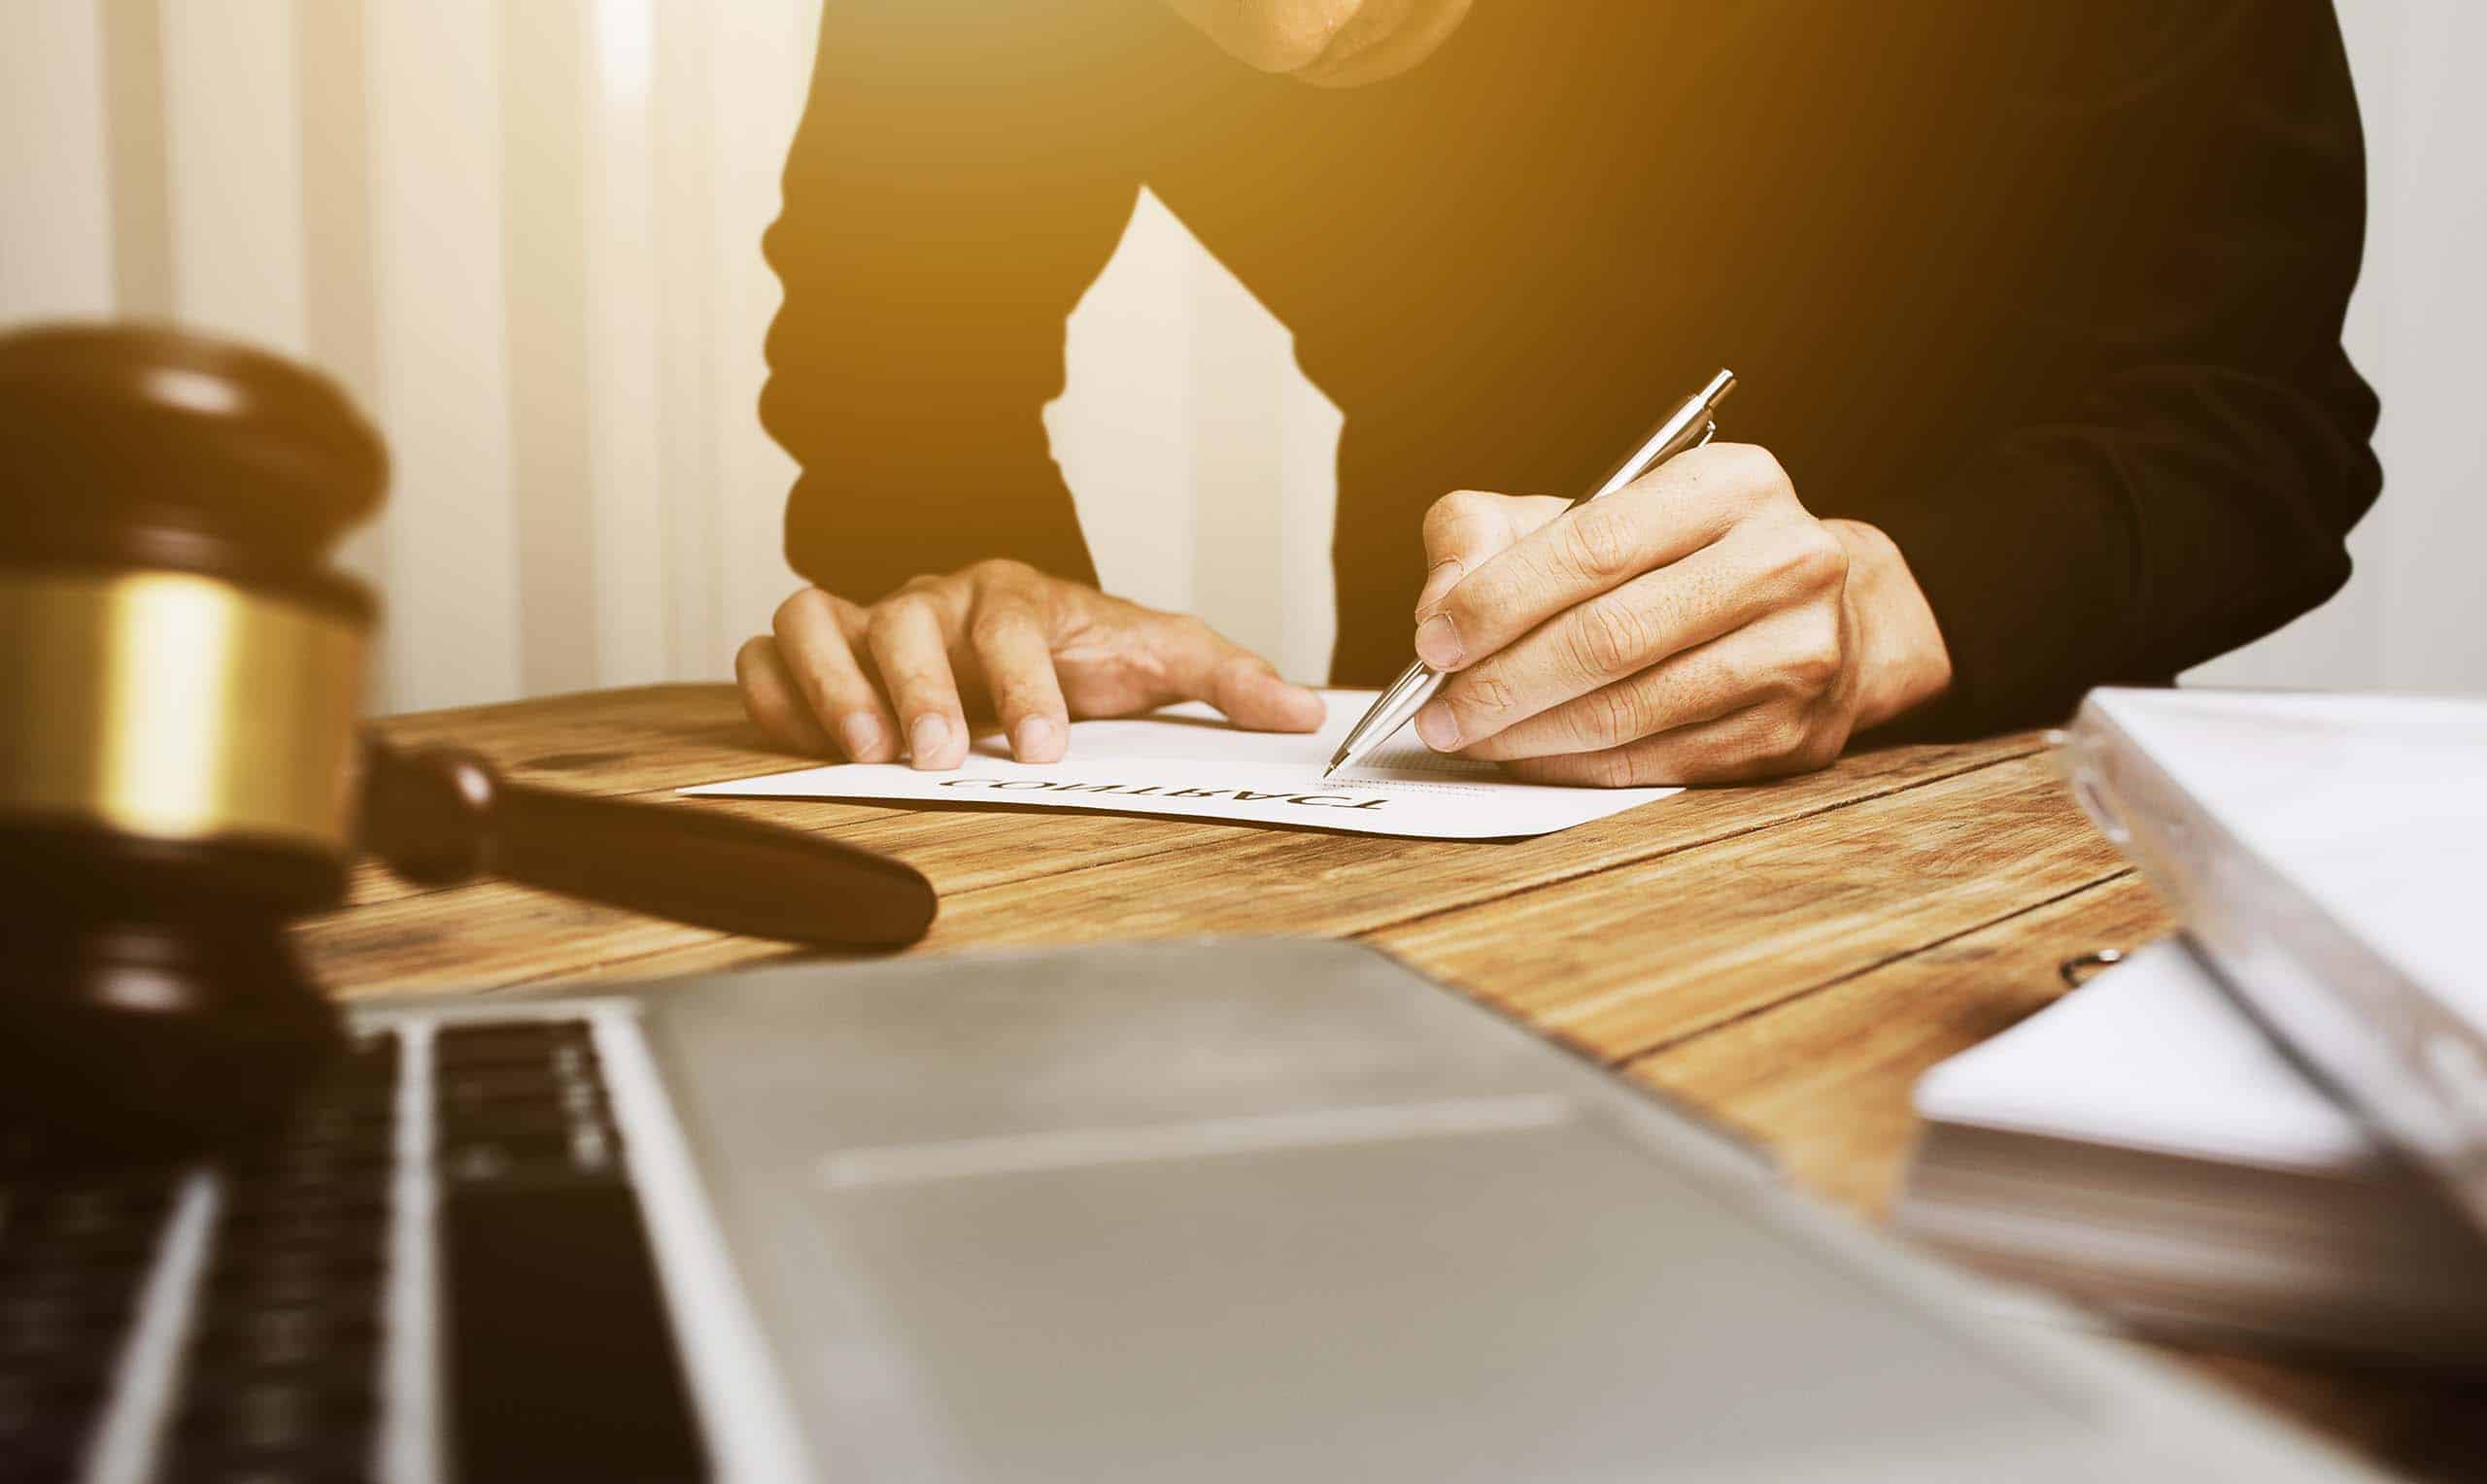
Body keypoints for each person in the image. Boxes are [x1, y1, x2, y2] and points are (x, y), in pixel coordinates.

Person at [736, 0, 2376, 785]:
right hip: (1459, 760)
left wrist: (1904, 600)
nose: (1297, 37)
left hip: (1996, 778)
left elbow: (2260, 415)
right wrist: (987, 597)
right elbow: (894, 363)